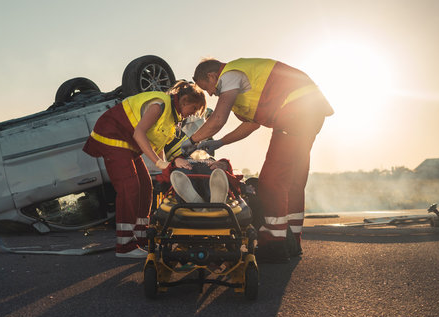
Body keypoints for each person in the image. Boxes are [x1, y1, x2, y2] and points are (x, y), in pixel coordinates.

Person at [183, 58, 334, 263]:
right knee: (293, 182)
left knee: (271, 182)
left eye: (207, 87)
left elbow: (218, 119)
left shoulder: (229, 76)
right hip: (309, 111)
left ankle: (274, 244)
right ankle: (291, 241)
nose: (210, 94)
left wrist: (190, 141)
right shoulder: (241, 90)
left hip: (295, 111)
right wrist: (219, 142)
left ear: (212, 76)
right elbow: (251, 125)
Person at [82, 81, 206, 258]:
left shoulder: (173, 117)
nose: (193, 114)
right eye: (194, 108)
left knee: (146, 186)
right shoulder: (160, 105)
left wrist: (169, 165)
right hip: (113, 135)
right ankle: (125, 246)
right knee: (130, 187)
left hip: (127, 143)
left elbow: (161, 146)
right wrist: (159, 163)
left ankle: (140, 237)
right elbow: (139, 133)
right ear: (184, 100)